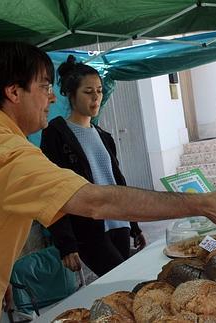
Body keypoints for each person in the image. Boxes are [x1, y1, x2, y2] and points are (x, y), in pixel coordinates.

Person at [0, 41, 216, 323]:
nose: (51, 98)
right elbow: (96, 202)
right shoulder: (6, 151)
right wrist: (201, 202)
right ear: (13, 92)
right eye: (43, 87)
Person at [40, 55, 147, 277]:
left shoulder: (103, 136)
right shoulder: (56, 134)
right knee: (125, 280)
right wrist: (66, 243)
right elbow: (53, 191)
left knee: (122, 288)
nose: (96, 97)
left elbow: (117, 181)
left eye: (99, 91)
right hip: (88, 229)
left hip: (119, 222)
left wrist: (134, 225)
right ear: (70, 94)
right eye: (88, 92)